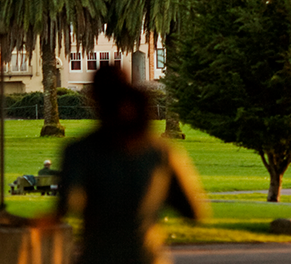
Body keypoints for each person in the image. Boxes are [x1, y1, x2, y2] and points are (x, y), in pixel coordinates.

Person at [48, 63, 207, 264]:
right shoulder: (160, 153)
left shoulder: (79, 150)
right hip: (147, 257)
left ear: (93, 98)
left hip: (98, 257)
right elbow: (193, 212)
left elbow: (65, 205)